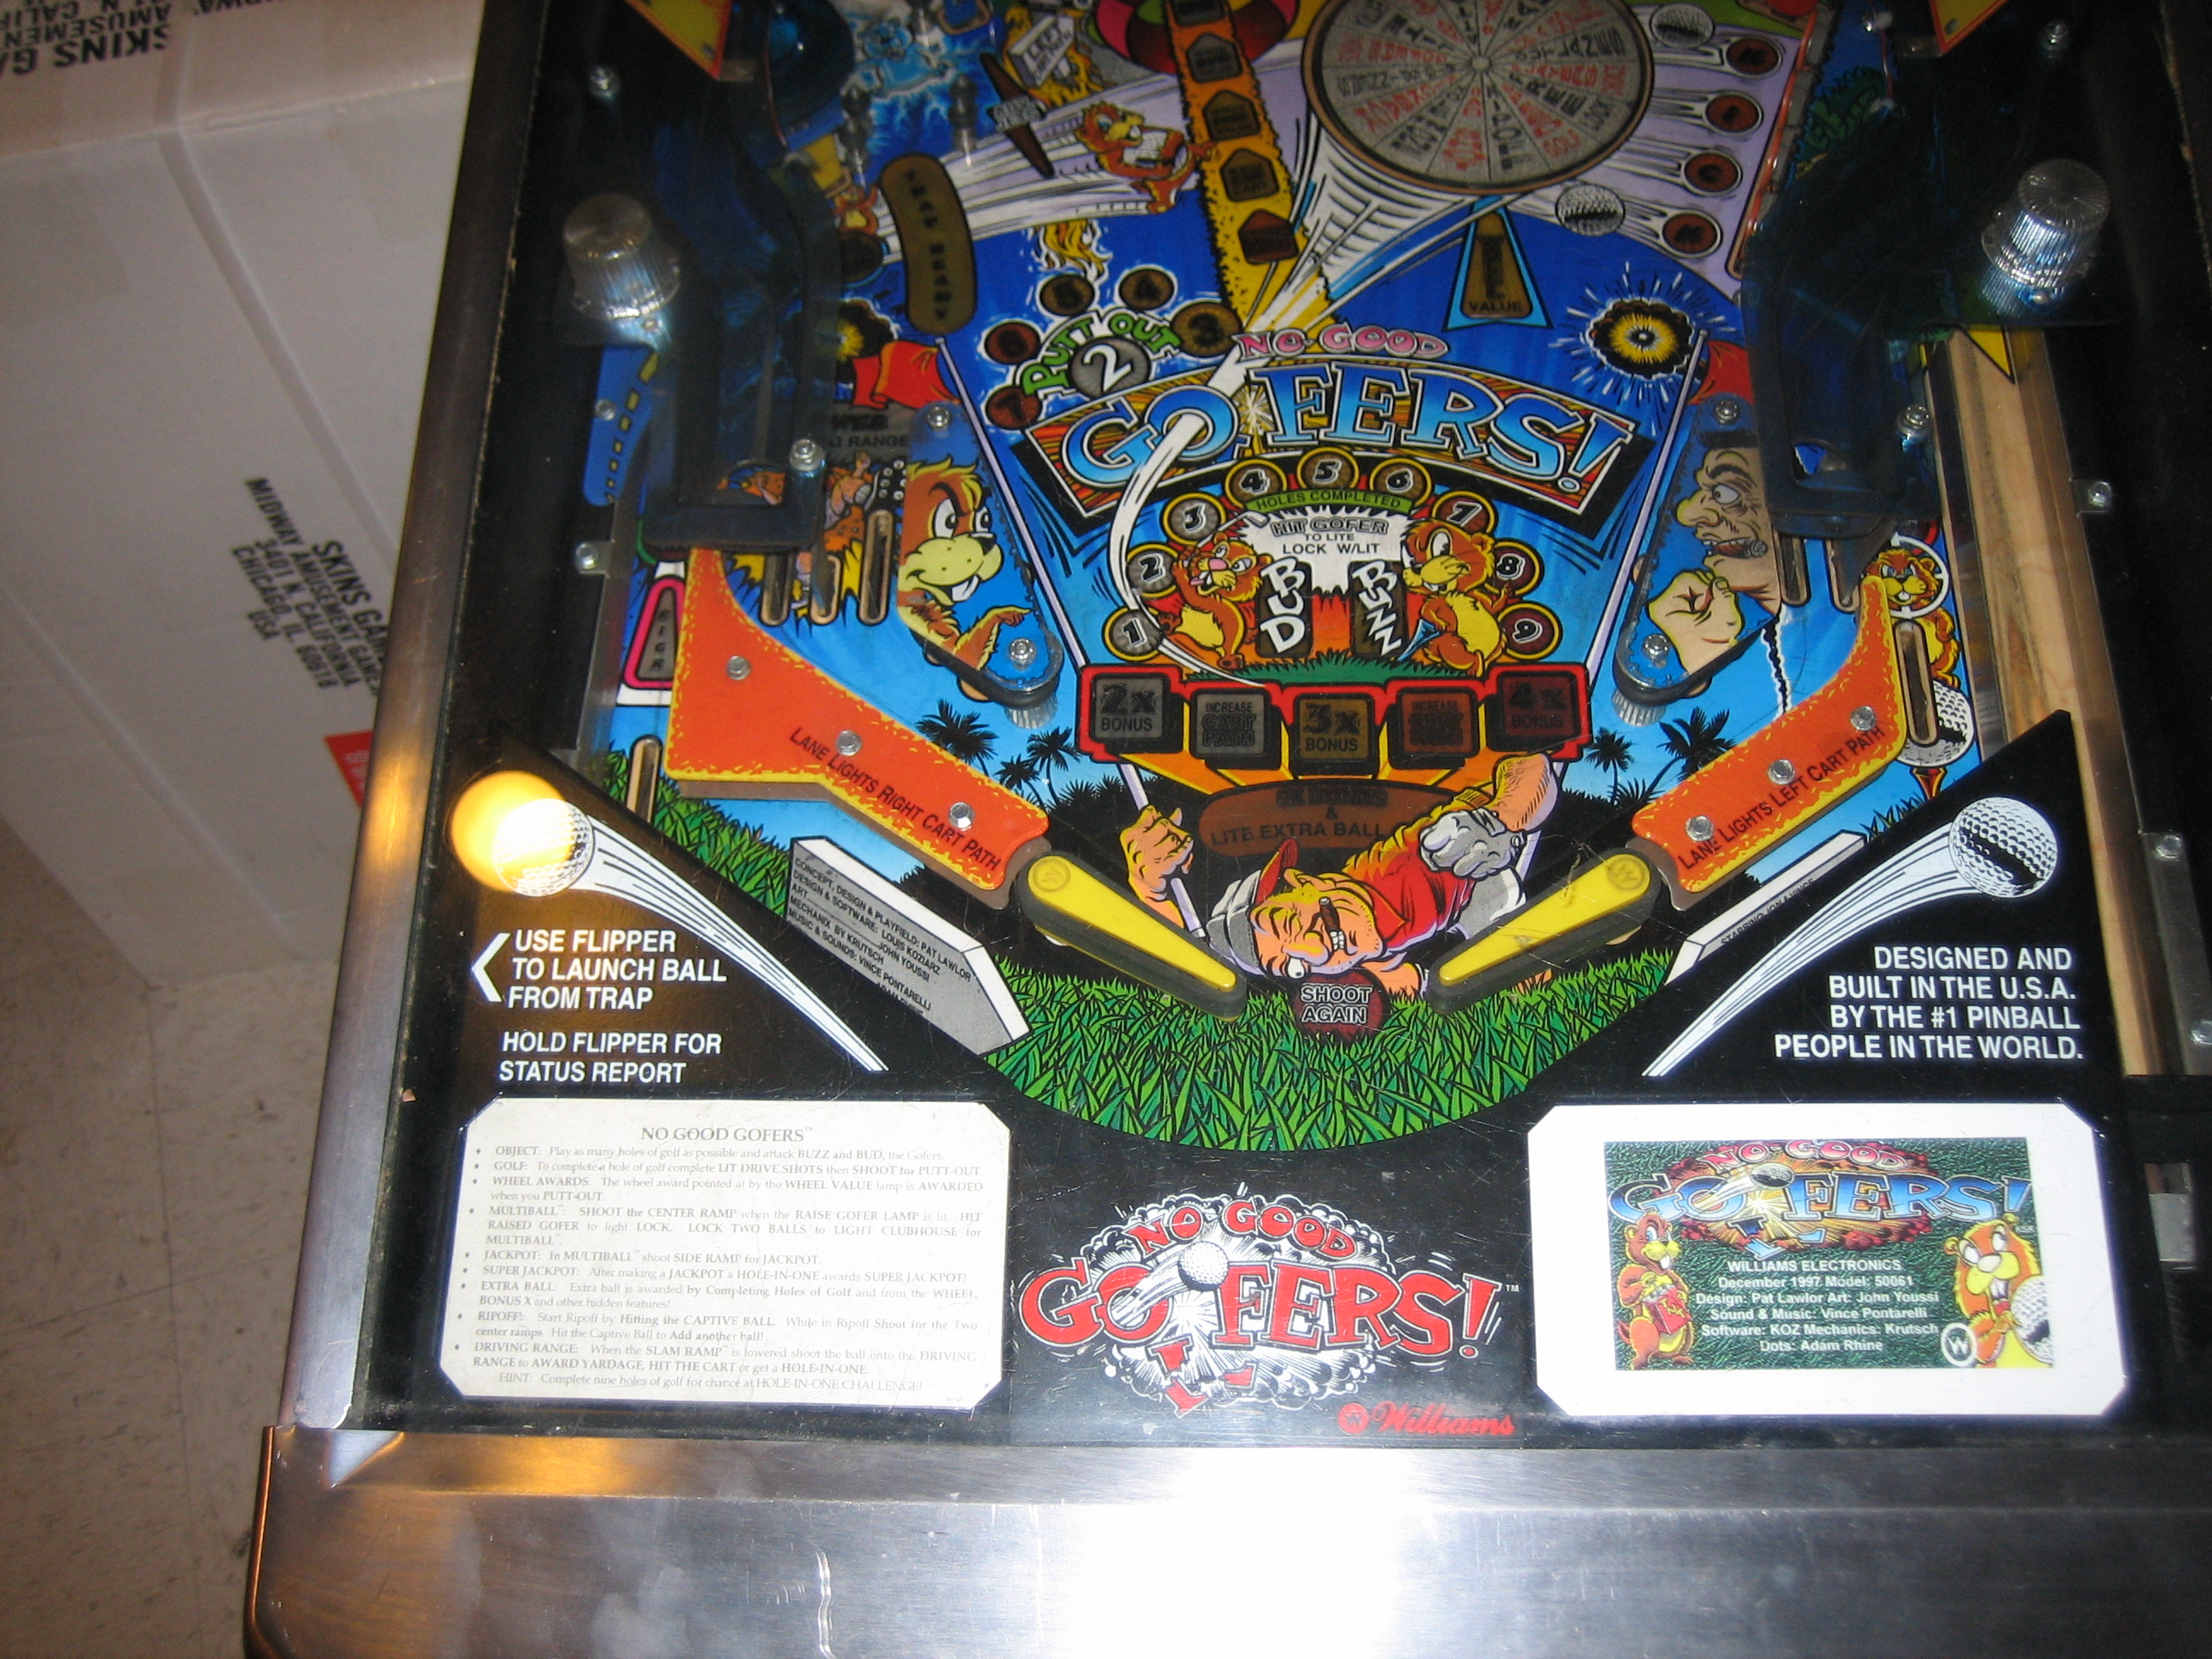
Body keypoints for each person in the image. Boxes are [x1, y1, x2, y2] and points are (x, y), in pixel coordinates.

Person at [1120, 754, 1557, 998]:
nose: (1308, 950)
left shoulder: (1412, 859)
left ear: (1307, 882)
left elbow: (1531, 768)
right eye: (1290, 965)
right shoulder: (1352, 942)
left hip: (1480, 888)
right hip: (1425, 931)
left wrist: (1500, 818)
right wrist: (1148, 887)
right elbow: (1191, 954)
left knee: (1527, 978)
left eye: (1285, 921)